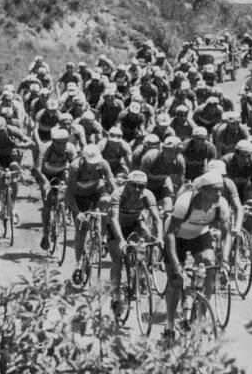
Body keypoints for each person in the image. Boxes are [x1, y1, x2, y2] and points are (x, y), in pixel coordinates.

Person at [164, 171, 233, 341]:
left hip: (200, 235)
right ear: (202, 190)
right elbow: (170, 234)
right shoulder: (185, 203)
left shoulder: (220, 204)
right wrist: (176, 265)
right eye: (214, 190)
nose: (219, 194)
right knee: (175, 282)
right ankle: (170, 324)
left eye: (221, 190)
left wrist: (224, 261)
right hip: (177, 237)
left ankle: (202, 311)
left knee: (209, 262)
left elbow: (227, 234)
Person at [65, 144, 120, 280]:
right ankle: (78, 264)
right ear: (83, 159)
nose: (94, 165)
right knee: (81, 232)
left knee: (107, 203)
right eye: (91, 163)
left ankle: (102, 236)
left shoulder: (102, 163)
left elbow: (111, 182)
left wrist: (118, 197)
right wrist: (77, 212)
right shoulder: (75, 167)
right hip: (78, 197)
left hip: (96, 193)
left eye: (95, 163)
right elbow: (69, 194)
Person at [111, 170, 159, 316]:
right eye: (134, 185)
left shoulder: (147, 195)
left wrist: (160, 238)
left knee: (146, 240)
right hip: (116, 226)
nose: (137, 189)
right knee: (117, 260)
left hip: (134, 223)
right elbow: (113, 219)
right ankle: (115, 296)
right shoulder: (118, 194)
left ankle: (141, 272)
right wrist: (120, 240)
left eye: (141, 186)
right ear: (127, 184)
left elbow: (157, 218)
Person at [0, 116, 32, 222]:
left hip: (11, 157)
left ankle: (13, 206)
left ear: (6, 127)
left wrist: (22, 144)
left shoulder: (13, 130)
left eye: (2, 131)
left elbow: (28, 141)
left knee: (14, 177)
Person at [34, 127, 75, 250]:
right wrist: (45, 182)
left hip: (61, 172)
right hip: (45, 174)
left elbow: (75, 166)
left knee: (65, 188)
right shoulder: (45, 148)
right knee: (47, 204)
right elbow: (37, 168)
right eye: (58, 143)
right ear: (53, 142)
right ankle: (45, 234)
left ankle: (63, 210)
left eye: (64, 142)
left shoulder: (70, 148)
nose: (61, 146)